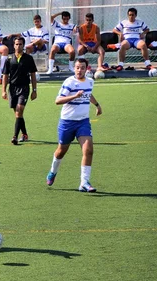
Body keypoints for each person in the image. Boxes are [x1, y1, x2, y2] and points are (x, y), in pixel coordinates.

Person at [46, 58, 102, 192]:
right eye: (77, 67)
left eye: (82, 68)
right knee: (61, 152)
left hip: (83, 122)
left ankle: (84, 182)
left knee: (88, 150)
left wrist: (97, 105)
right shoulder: (69, 82)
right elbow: (58, 101)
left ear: (86, 69)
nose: (79, 70)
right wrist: (74, 97)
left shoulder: (90, 82)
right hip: (67, 122)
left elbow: (88, 94)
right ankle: (53, 171)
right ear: (74, 68)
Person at [2, 36, 38, 145]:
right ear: (13, 45)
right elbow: (5, 76)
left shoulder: (29, 58)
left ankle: (14, 137)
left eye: (20, 44)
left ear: (23, 45)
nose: (18, 46)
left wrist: (34, 90)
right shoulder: (9, 59)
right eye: (16, 44)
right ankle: (25, 134)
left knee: (19, 110)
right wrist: (3, 90)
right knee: (18, 114)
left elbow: (33, 75)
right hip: (12, 89)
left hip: (24, 88)